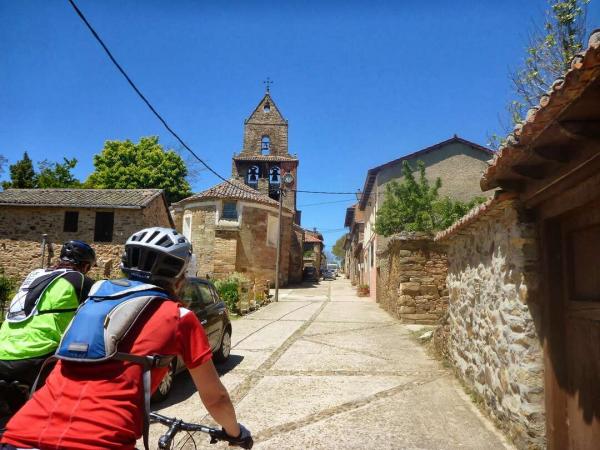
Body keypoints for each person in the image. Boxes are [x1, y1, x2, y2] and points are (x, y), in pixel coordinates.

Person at [0, 227, 252, 450]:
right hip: (100, 440)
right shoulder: (180, 316)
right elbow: (215, 397)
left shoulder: (92, 300)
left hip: (22, 433)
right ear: (180, 276)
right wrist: (236, 433)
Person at [0, 240, 96, 386]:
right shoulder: (80, 280)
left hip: (2, 351)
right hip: (35, 357)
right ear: (86, 265)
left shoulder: (35, 276)